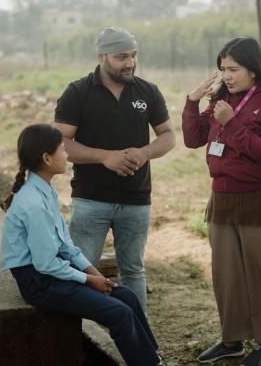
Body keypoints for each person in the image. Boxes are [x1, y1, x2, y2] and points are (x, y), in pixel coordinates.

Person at [1, 124, 161, 366]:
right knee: (118, 313)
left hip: (52, 272)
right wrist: (88, 280)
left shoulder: (45, 191)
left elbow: (66, 245)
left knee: (126, 296)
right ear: (46, 158)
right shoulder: (33, 204)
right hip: (39, 282)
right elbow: (46, 263)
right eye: (62, 150)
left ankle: (152, 358)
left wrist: (95, 274)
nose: (66, 154)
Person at [182, 37, 261, 366]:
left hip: (258, 197)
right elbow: (192, 138)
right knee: (225, 275)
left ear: (254, 70)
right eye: (222, 69)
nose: (226, 75)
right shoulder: (221, 98)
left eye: (233, 69)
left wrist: (232, 122)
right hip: (222, 197)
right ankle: (231, 340)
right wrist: (192, 101)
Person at [54, 27, 175, 313]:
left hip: (136, 199)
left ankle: (139, 336)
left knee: (134, 270)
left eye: (133, 55)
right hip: (90, 199)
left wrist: (145, 152)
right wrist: (104, 157)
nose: (130, 62)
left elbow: (168, 136)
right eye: (122, 56)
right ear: (102, 57)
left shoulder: (148, 91)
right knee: (83, 270)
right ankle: (83, 338)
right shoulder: (78, 92)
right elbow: (59, 142)